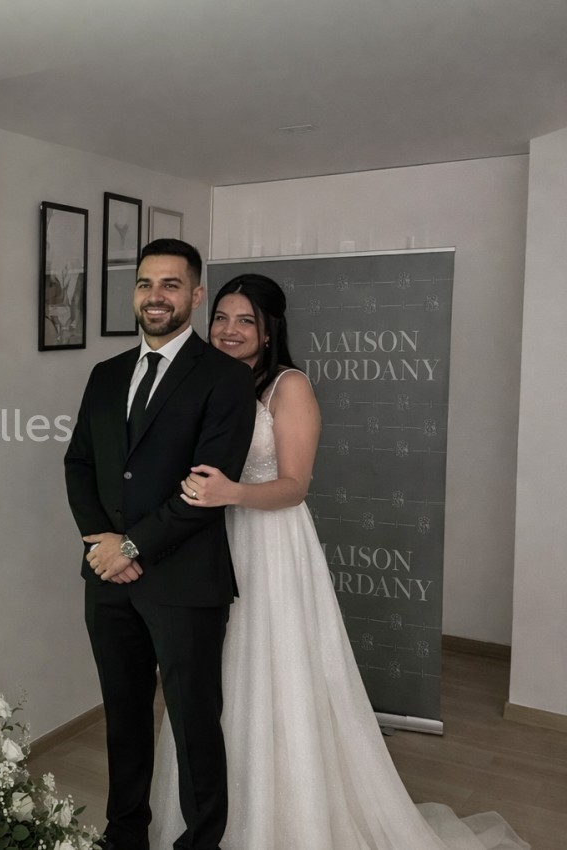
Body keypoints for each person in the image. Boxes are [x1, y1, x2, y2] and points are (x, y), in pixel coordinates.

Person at [148, 273, 528, 850]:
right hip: (207, 542)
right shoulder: (203, 379)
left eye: (245, 320)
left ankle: (281, 820)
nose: (229, 330)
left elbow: (295, 485)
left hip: (267, 543)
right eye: (221, 317)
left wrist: (233, 494)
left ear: (271, 329)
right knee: (206, 678)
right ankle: (203, 820)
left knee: (269, 673)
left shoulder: (288, 387)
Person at [64, 239, 258, 850]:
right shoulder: (106, 374)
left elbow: (205, 487)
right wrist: (103, 545)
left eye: (171, 285)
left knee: (195, 725)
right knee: (123, 720)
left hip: (184, 581)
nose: (156, 296)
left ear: (196, 296)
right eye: (146, 283)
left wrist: (133, 547)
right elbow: (80, 465)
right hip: (109, 579)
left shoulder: (225, 378)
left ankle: (202, 841)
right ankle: (125, 835)